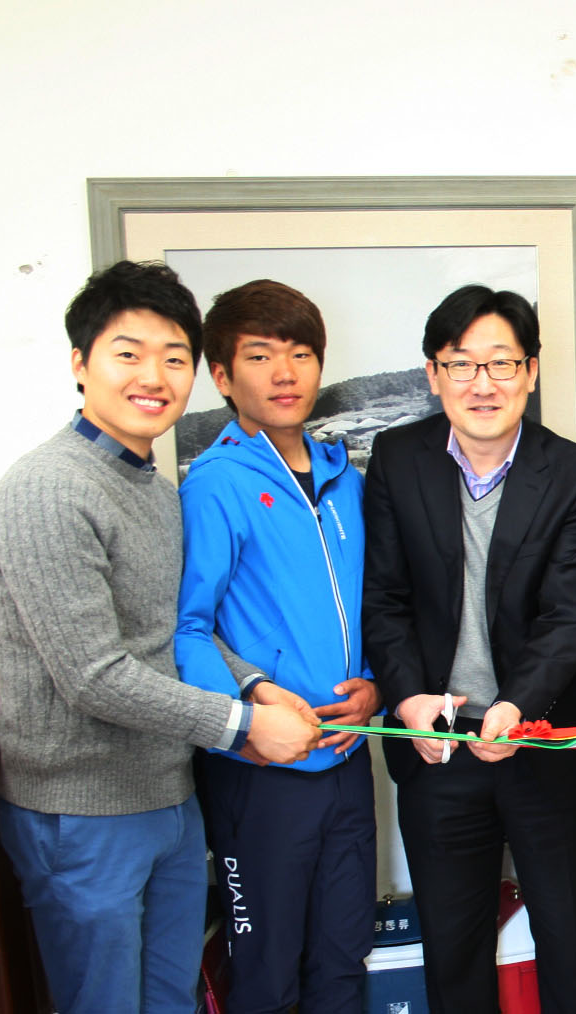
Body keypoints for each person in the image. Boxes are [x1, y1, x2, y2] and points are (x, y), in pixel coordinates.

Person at [0, 260, 320, 1013]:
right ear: (81, 363)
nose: (153, 377)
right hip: (82, 812)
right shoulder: (49, 489)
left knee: (171, 999)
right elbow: (93, 676)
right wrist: (242, 724)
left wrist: (256, 685)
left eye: (173, 358)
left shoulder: (156, 492)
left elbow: (172, 630)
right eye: (128, 353)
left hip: (167, 797)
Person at [362, 284, 576, 1014]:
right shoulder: (398, 459)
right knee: (454, 947)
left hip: (543, 742)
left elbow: (572, 616)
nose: (482, 383)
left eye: (502, 362)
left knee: (566, 938)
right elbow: (385, 598)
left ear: (530, 371)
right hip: (437, 748)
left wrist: (517, 705)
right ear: (433, 373)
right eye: (461, 363)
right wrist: (407, 697)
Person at [174, 279, 380, 1013]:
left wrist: (375, 682)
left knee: (344, 957)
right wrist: (253, 702)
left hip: (347, 758)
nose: (285, 373)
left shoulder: (345, 480)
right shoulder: (215, 484)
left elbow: (373, 603)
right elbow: (185, 629)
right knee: (265, 973)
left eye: (300, 353)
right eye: (260, 356)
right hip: (259, 770)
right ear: (223, 376)